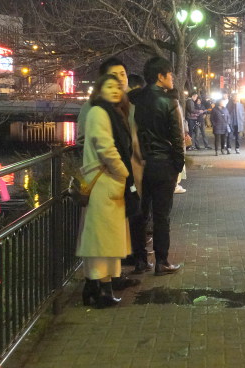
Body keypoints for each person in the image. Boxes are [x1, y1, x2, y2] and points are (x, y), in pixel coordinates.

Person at [76, 57, 141, 288]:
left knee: (112, 234)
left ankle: (110, 280)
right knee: (101, 236)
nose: (119, 82)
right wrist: (123, 171)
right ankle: (98, 285)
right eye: (112, 80)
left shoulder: (121, 107)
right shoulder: (96, 110)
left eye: (122, 76)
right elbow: (102, 145)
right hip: (106, 178)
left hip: (117, 179)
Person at [130, 56, 183, 276]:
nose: (172, 78)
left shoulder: (133, 99)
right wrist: (178, 164)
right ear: (160, 77)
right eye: (170, 74)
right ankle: (162, 261)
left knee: (140, 213)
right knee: (162, 215)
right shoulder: (169, 102)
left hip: (139, 164)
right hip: (163, 164)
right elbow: (177, 137)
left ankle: (140, 260)